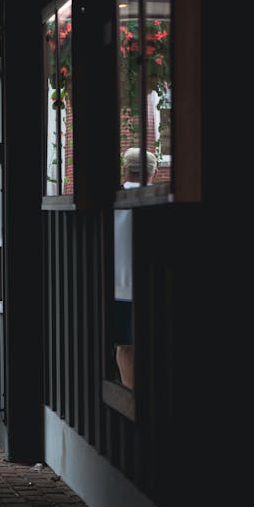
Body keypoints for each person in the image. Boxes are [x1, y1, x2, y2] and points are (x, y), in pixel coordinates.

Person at [113, 147, 157, 389]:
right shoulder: (161, 201)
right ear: (154, 171)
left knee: (125, 344)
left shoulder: (111, 199)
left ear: (124, 169)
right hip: (156, 284)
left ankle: (131, 394)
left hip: (118, 284)